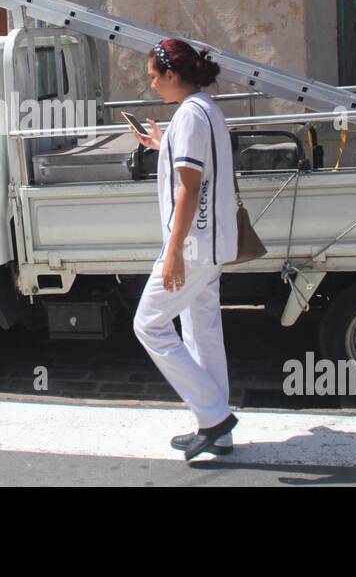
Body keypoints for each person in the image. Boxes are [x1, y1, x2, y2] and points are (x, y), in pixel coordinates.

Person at [127, 38, 240, 460]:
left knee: (149, 325)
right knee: (202, 331)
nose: (153, 86)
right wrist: (162, 144)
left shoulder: (190, 116)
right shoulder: (203, 109)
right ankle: (217, 429)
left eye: (154, 78)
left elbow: (190, 187)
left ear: (172, 75)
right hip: (211, 245)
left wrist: (173, 252)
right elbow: (197, 165)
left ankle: (214, 418)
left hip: (192, 246)